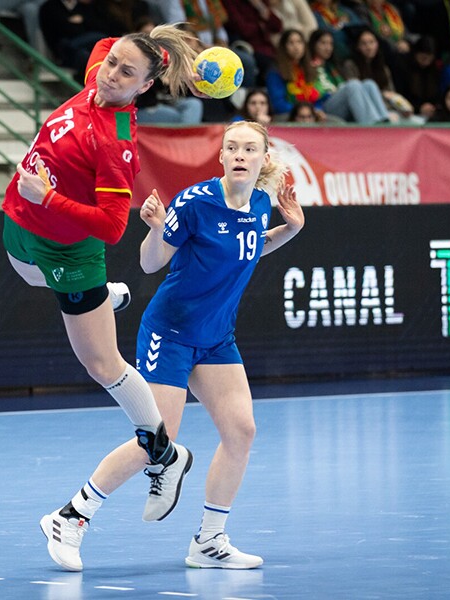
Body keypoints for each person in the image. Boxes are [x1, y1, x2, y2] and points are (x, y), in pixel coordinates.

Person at [39, 120, 304, 571]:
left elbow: (249, 248)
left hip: (217, 338)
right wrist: (158, 229)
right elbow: (149, 263)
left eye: (249, 149)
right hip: (171, 332)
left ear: (263, 159)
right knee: (158, 440)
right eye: (232, 147)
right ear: (220, 157)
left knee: (242, 431)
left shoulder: (261, 203)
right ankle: (70, 515)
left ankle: (209, 541)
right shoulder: (196, 203)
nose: (240, 154)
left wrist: (291, 229)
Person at [1, 25, 202, 571]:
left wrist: (49, 197)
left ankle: (160, 451)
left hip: (71, 248)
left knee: (101, 362)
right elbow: (111, 45)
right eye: (113, 63)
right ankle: (104, 299)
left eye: (127, 73)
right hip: (23, 227)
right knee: (23, 274)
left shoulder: (114, 141)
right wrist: (159, 41)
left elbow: (113, 228)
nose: (112, 74)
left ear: (143, 88)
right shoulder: (97, 76)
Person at [308, 27, 391, 122]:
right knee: (353, 85)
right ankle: (371, 128)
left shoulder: (332, 66)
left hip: (340, 104)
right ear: (313, 44)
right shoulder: (307, 66)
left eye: (330, 44)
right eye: (323, 43)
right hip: (323, 107)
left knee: (369, 84)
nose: (328, 48)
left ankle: (385, 121)